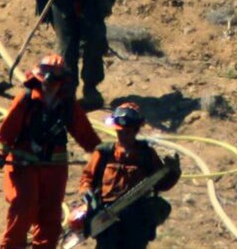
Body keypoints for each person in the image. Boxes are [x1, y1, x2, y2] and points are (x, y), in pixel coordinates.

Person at [0, 53, 101, 249]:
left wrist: (104, 156)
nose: (49, 86)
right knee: (24, 208)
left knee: (50, 215)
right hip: (23, 165)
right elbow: (5, 134)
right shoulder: (26, 100)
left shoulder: (67, 105)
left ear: (62, 82)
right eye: (46, 81)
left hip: (54, 167)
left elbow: (87, 136)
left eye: (54, 82)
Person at [74, 102, 180, 249]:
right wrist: (87, 193)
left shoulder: (146, 155)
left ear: (136, 130)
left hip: (136, 221)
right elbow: (87, 178)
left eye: (127, 132)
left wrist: (173, 171)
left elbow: (161, 184)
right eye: (120, 132)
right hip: (106, 220)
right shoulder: (104, 153)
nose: (123, 135)